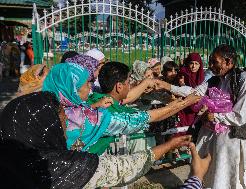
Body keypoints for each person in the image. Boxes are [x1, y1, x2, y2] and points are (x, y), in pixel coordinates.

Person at [0, 91, 201, 188]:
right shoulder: (63, 167)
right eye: (61, 122)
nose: (67, 126)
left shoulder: (8, 162)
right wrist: (194, 176)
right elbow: (124, 167)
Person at [157, 44, 246, 189]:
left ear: (228, 62)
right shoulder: (214, 80)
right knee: (209, 173)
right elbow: (195, 93)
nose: (210, 66)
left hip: (230, 141)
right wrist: (168, 87)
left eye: (214, 62)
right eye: (210, 61)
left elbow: (240, 115)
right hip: (211, 137)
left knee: (226, 176)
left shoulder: (245, 80)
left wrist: (216, 116)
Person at [42, 63, 200, 155]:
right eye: (85, 84)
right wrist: (183, 104)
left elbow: (127, 97)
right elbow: (144, 118)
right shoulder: (95, 117)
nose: (90, 87)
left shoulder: (57, 107)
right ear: (72, 89)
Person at [176, 53, 205, 142]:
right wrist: (183, 85)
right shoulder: (183, 74)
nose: (193, 66)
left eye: (196, 64)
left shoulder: (202, 77)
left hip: (196, 109)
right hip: (184, 109)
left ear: (200, 65)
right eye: (191, 63)